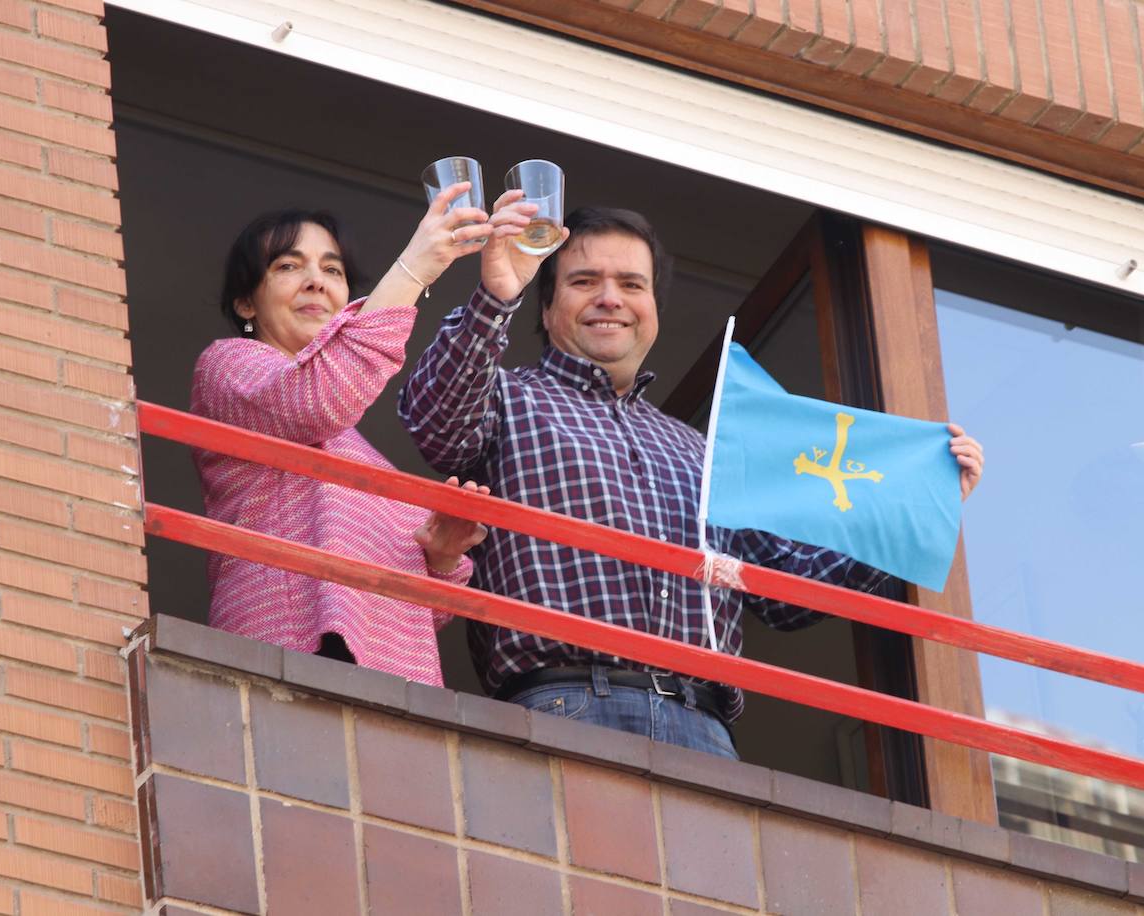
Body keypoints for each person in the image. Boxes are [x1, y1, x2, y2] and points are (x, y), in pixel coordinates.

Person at [398, 202, 984, 754]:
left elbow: (790, 591)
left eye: (632, 284)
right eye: (583, 282)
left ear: (654, 308)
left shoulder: (703, 452)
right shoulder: (506, 398)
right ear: (546, 308)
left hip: (703, 725)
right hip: (562, 701)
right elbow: (433, 419)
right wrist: (497, 295)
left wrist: (919, 500)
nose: (610, 299)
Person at [192, 185, 507, 687]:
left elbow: (423, 608)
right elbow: (316, 399)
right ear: (246, 304)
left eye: (332, 270)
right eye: (288, 266)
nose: (317, 282)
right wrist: (412, 270)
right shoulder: (230, 365)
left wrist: (441, 554)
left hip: (392, 677)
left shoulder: (361, 453)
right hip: (289, 649)